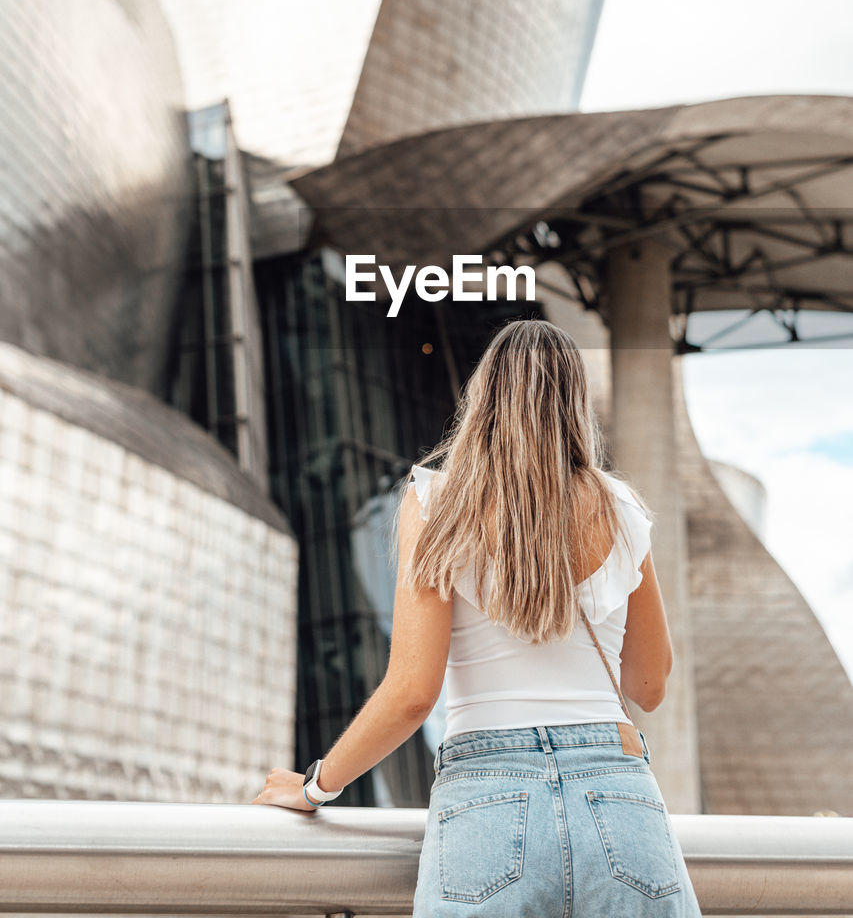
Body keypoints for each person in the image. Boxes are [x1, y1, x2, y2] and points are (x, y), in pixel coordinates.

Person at [253, 317, 702, 916]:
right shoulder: (620, 509)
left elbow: (413, 693)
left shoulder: (437, 501)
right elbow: (649, 684)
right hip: (617, 792)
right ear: (575, 404)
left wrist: (315, 786)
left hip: (488, 793)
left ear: (484, 399)